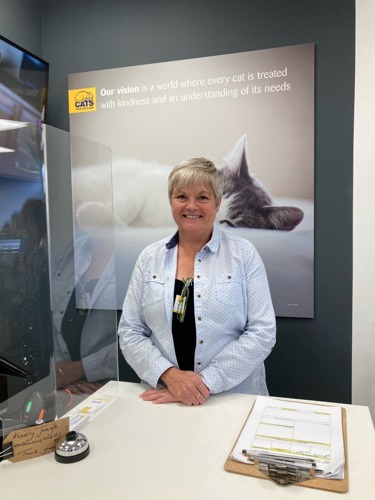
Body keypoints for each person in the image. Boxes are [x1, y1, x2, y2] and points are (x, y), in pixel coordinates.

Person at [118, 158, 276, 406]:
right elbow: (130, 331)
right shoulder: (149, 258)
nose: (191, 206)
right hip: (164, 396)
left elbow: (263, 332)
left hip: (232, 399)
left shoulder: (244, 254)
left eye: (203, 197)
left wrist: (202, 383)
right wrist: (170, 377)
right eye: (182, 196)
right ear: (171, 201)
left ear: (218, 202)